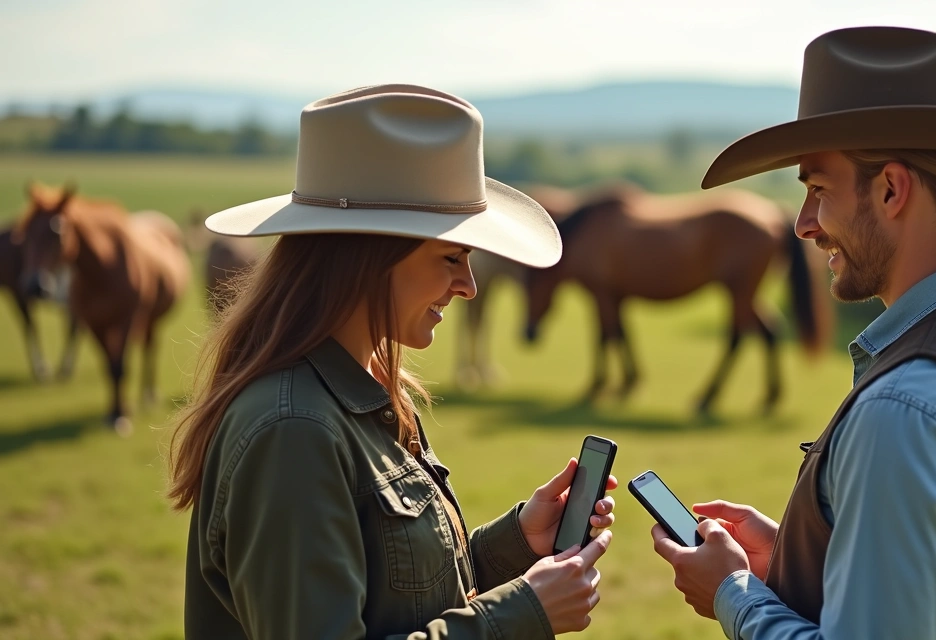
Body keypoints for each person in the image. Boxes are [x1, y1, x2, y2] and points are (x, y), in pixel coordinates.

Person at [651, 26, 936, 640]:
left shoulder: (905, 408)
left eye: (817, 190)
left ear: (892, 189)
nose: (803, 225)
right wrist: (802, 555)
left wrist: (733, 594)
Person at [166, 85, 615, 639]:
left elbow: (396, 597)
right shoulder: (294, 431)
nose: (469, 286)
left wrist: (518, 544)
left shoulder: (357, 390)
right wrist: (525, 614)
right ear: (371, 255)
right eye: (451, 257)